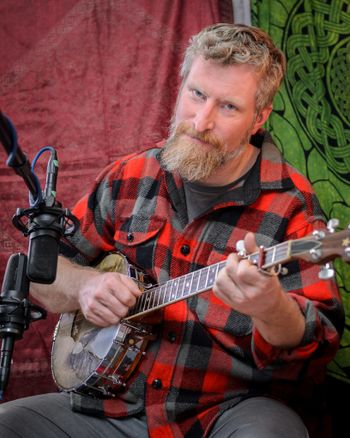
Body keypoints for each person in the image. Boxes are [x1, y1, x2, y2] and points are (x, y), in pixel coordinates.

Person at [0, 23, 344, 438]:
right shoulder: (129, 176)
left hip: (225, 413)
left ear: (259, 118)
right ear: (180, 87)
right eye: (196, 94)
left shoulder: (292, 206)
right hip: (110, 408)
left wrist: (271, 308)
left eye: (228, 107)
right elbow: (45, 272)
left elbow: (317, 348)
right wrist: (85, 286)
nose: (201, 121)